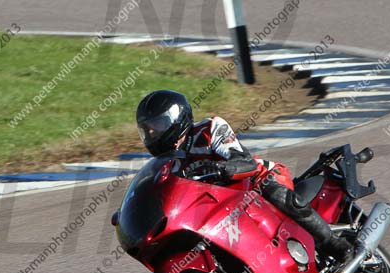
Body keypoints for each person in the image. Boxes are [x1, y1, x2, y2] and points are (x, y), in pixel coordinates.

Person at [135, 90, 350, 259]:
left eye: (157, 125)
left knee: (272, 191)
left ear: (176, 118)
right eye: (147, 129)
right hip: (225, 202)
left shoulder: (209, 129)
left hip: (258, 179)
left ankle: (333, 243)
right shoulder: (167, 164)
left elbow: (245, 162)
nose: (152, 133)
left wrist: (221, 168)